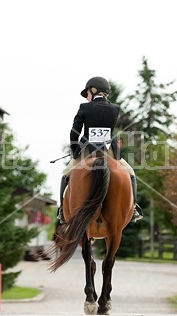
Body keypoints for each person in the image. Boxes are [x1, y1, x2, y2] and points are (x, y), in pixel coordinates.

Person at [56, 76, 143, 225]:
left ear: (93, 90)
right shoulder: (115, 108)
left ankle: (62, 212)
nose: (87, 97)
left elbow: (74, 132)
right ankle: (133, 209)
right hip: (108, 150)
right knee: (131, 174)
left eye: (87, 93)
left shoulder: (84, 107)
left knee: (65, 175)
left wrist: (74, 150)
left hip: (86, 151)